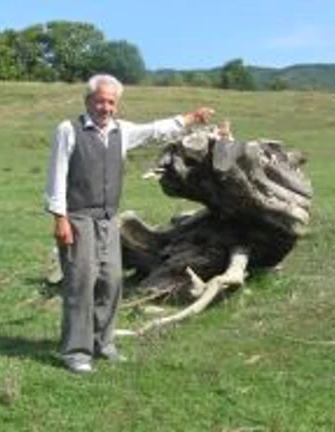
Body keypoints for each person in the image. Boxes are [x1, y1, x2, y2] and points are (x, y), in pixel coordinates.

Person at [43, 74, 215, 374]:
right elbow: (56, 174)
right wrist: (60, 218)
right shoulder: (68, 130)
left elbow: (154, 131)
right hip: (78, 217)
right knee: (80, 284)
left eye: (111, 102)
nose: (105, 107)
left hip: (109, 220)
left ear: (117, 105)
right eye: (100, 100)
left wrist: (189, 118)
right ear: (88, 101)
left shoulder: (121, 131)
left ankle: (103, 343)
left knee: (112, 281)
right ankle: (75, 351)